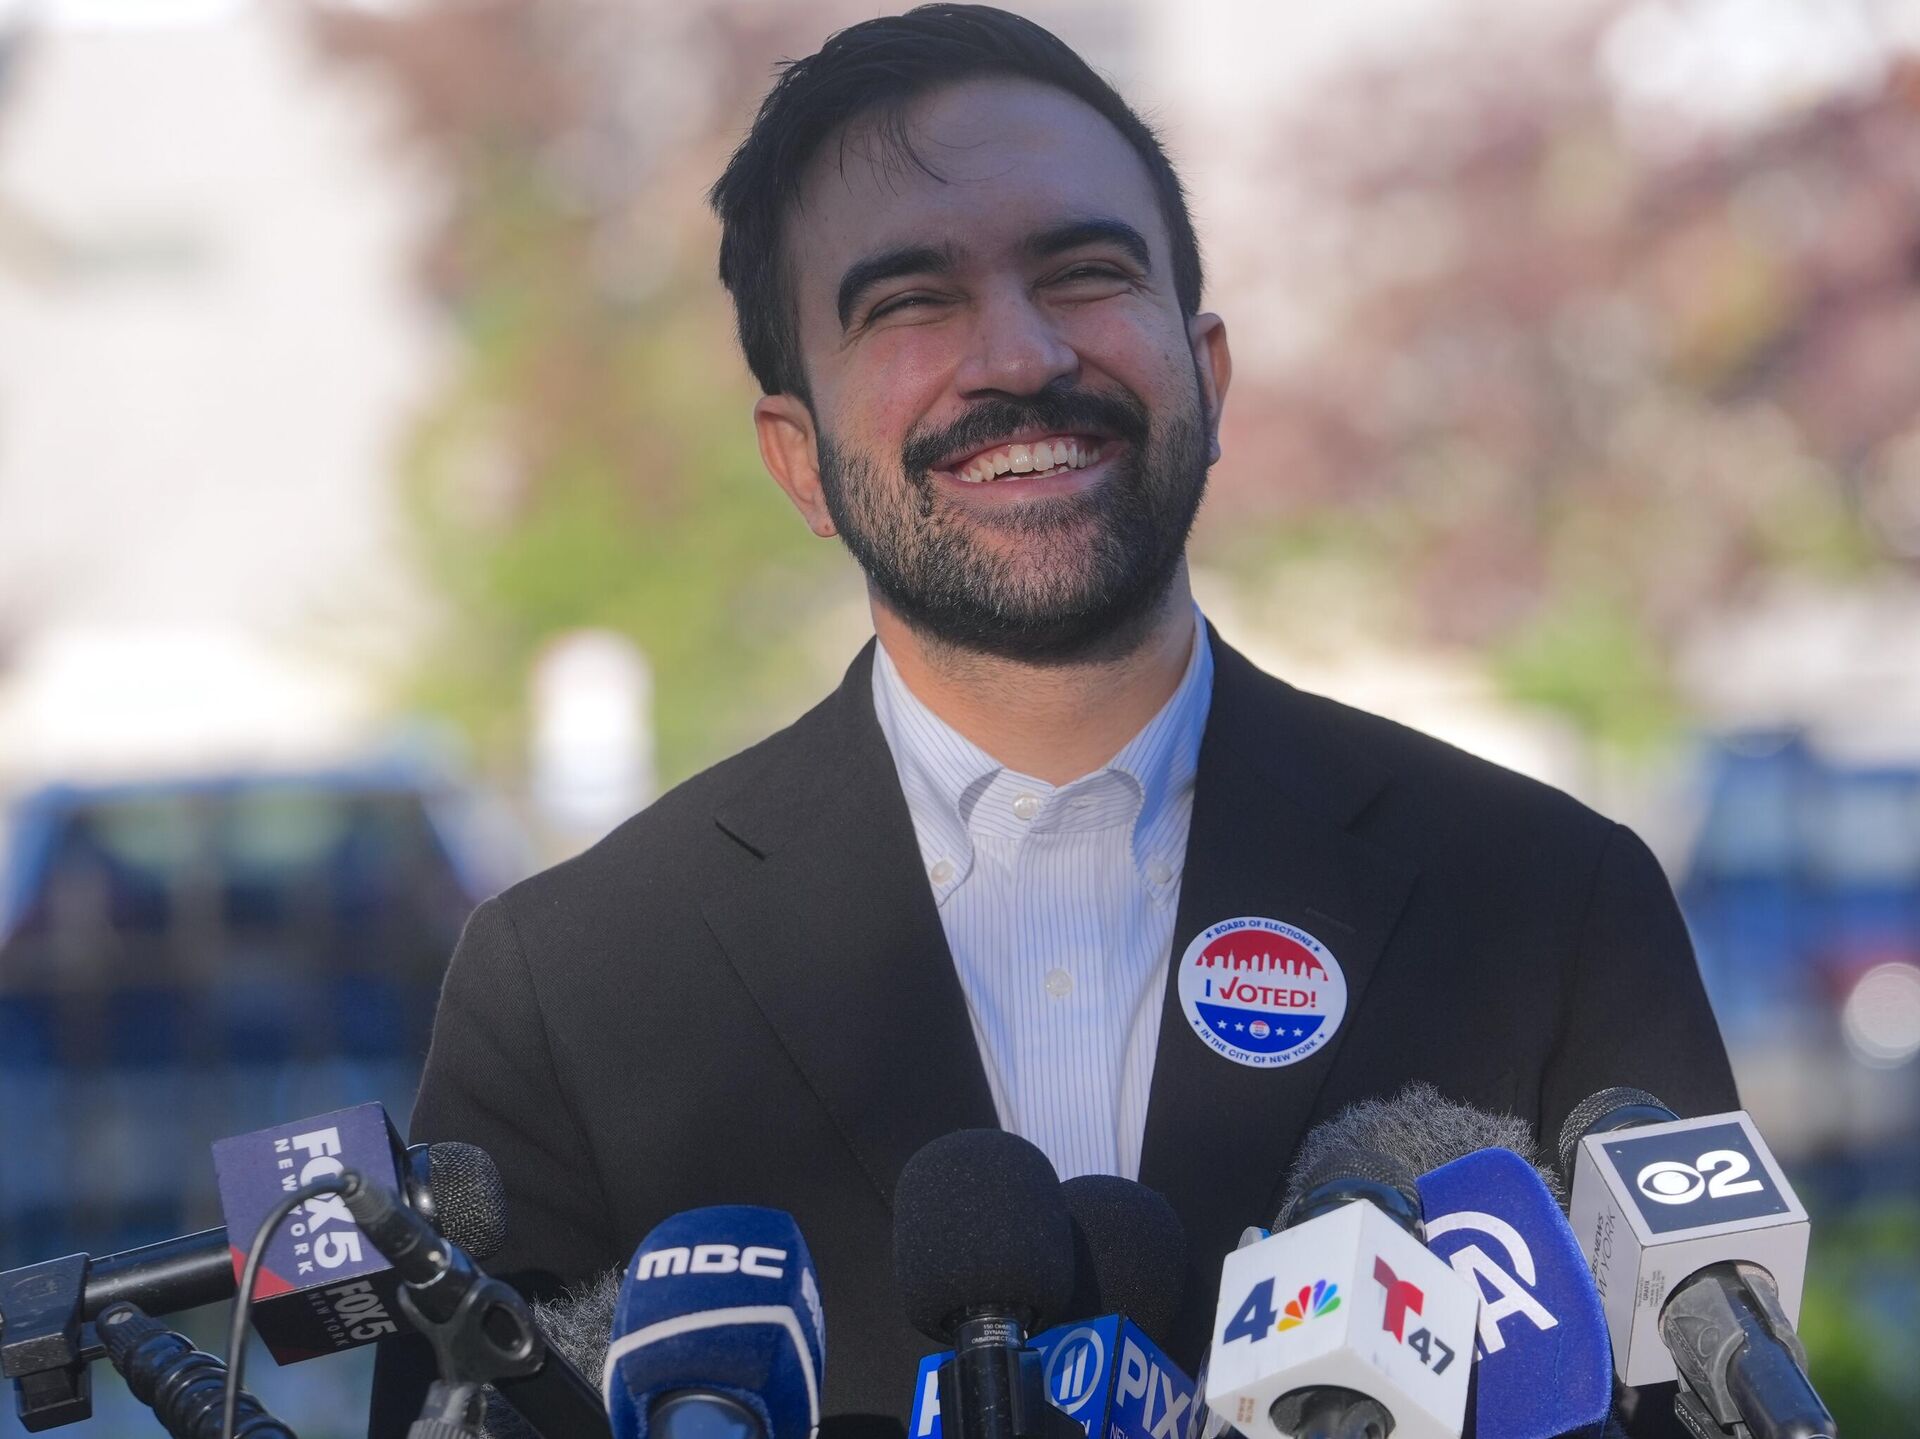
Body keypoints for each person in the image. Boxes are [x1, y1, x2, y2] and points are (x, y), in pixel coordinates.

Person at [374, 6, 1736, 1435]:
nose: (1019, 359)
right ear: (799, 458)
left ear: (1208, 377)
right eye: (910, 303)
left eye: (1084, 274)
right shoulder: (572, 989)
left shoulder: (1548, 904)